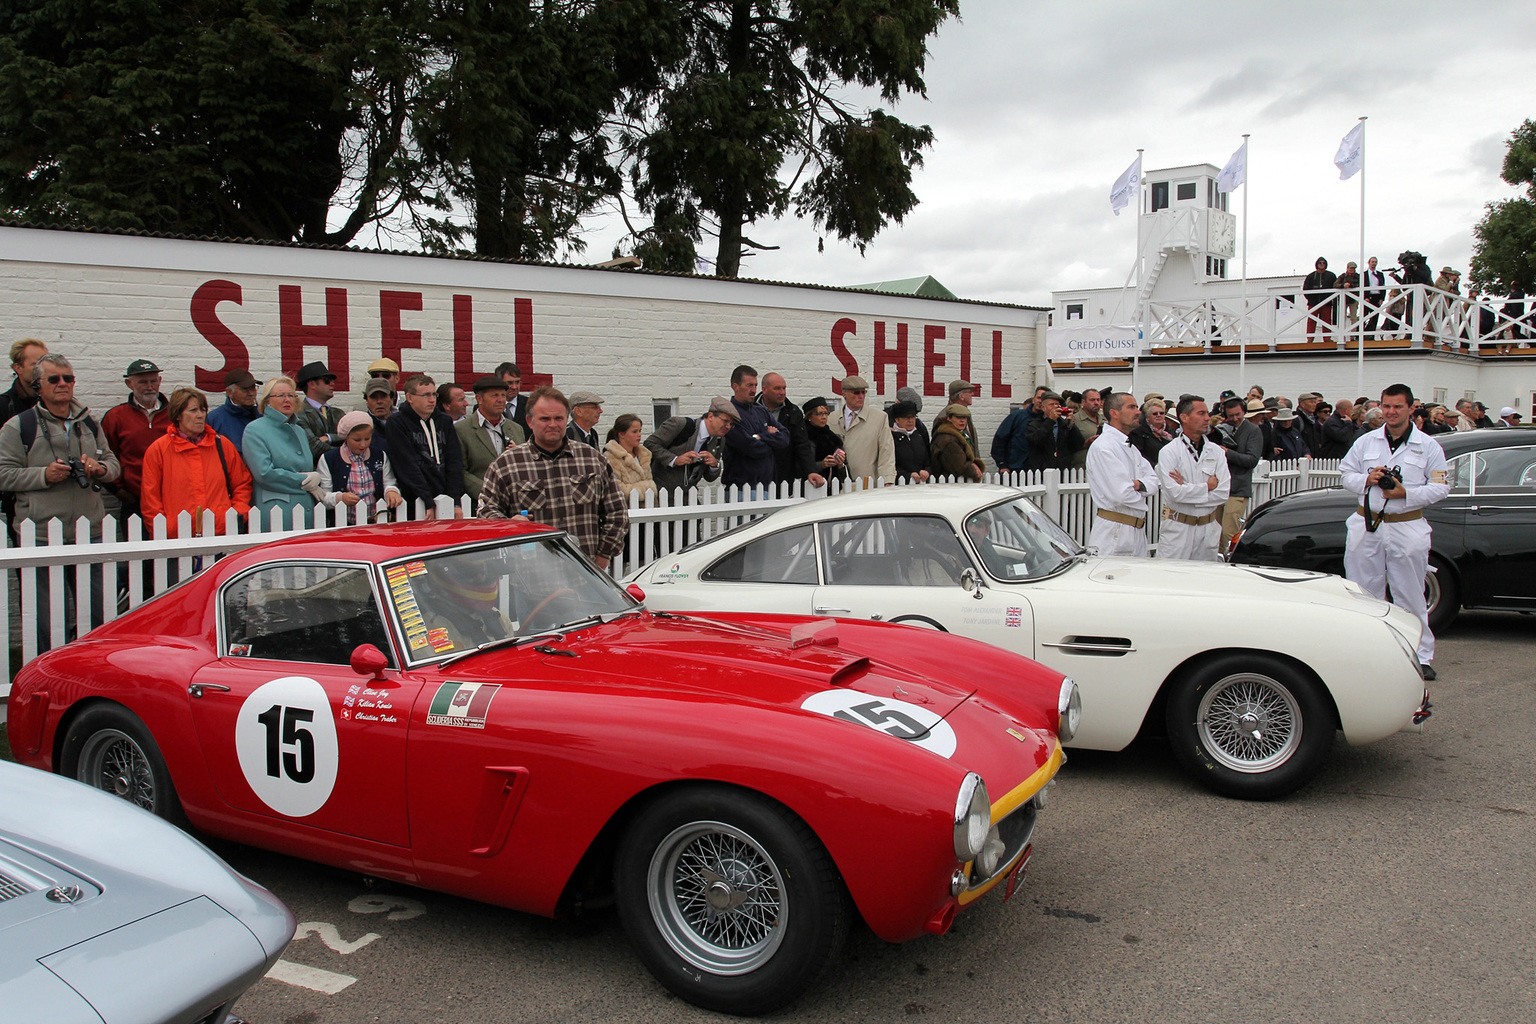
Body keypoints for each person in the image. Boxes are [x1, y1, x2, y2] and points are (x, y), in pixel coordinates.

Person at [0, 353, 118, 647]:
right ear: (38, 385)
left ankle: (91, 670)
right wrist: (43, 475)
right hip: (40, 536)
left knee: (97, 616)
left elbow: (114, 466)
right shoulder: (19, 426)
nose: (63, 384)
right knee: (47, 619)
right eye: (54, 379)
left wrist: (99, 469)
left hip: (89, 532)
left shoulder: (88, 422)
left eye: (68, 378)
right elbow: (3, 475)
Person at [1341, 384, 1449, 676]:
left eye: (1398, 407)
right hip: (1367, 524)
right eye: (1387, 406)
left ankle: (1420, 655)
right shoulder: (1366, 442)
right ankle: (1368, 653)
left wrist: (1405, 493)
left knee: (1410, 593)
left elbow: (1442, 486)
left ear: (1411, 408)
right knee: (1364, 592)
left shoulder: (1429, 446)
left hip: (1407, 525)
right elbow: (1346, 474)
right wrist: (1368, 479)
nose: (1391, 412)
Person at [478, 386, 629, 571]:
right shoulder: (506, 465)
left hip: (585, 574)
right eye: (544, 419)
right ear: (529, 421)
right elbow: (486, 512)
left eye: (558, 418)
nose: (552, 424)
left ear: (567, 419)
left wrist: (604, 555)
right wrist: (509, 525)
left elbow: (617, 512)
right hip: (530, 578)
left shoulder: (593, 460)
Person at [140, 387, 253, 537]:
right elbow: (150, 500)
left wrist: (236, 514)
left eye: (202, 410)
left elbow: (242, 484)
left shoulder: (222, 445)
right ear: (178, 415)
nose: (200, 415)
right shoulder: (158, 450)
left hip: (221, 532)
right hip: (177, 536)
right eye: (193, 411)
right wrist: (167, 529)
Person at [242, 377, 324, 528]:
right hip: (277, 513)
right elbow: (264, 473)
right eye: (281, 396)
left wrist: (313, 477)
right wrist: (303, 481)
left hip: (305, 510)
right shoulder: (255, 430)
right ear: (267, 401)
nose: (287, 400)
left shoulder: (298, 430)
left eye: (291, 395)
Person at [1155, 396, 1229, 561]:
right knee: (1171, 577)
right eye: (1201, 413)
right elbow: (1174, 494)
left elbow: (1223, 493)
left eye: (1207, 413)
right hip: (1179, 528)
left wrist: (1186, 486)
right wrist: (1206, 487)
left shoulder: (1216, 452)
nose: (1207, 418)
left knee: (1204, 580)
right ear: (1184, 417)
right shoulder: (1169, 452)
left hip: (1208, 528)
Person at [1086, 392, 1157, 557]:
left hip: (1136, 530)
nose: (1138, 412)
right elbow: (1121, 494)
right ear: (1114, 413)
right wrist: (1142, 494)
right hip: (1115, 531)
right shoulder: (1104, 447)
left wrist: (1138, 485)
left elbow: (1153, 480)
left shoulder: (1129, 447)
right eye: (1131, 407)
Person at [101, 358, 171, 523]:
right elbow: (106, 456)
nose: (149, 387)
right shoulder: (116, 417)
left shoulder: (175, 414)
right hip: (134, 502)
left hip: (172, 499)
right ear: (129, 384)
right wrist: (119, 491)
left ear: (160, 381)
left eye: (153, 381)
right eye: (142, 382)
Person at [387, 374, 466, 518]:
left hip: (445, 497)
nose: (431, 400)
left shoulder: (445, 421)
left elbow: (454, 461)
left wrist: (455, 501)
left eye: (433, 394)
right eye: (425, 395)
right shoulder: (397, 423)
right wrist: (427, 500)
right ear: (410, 398)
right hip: (414, 501)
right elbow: (406, 464)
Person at [318, 410, 404, 520]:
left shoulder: (379, 455)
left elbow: (389, 481)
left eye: (367, 439)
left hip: (378, 519)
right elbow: (324, 497)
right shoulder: (329, 459)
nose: (363, 444)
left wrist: (391, 491)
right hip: (345, 523)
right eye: (357, 440)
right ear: (346, 437)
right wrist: (341, 498)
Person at [722, 364, 789, 494]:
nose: (753, 390)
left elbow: (785, 438)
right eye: (749, 385)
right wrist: (771, 439)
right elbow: (750, 447)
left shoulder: (761, 411)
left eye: (755, 385)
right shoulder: (730, 414)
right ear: (736, 387)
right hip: (741, 489)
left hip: (767, 487)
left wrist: (760, 436)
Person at [456, 375, 523, 503]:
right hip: (479, 502)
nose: (501, 400)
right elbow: (460, 471)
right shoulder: (462, 430)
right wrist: (489, 491)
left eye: (503, 395)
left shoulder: (515, 429)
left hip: (514, 501)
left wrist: (519, 454)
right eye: (495, 396)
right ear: (479, 399)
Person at [646, 398, 733, 495]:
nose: (728, 426)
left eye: (731, 424)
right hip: (661, 493)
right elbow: (650, 444)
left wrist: (714, 465)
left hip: (688, 496)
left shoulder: (719, 441)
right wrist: (675, 460)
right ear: (711, 416)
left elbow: (709, 478)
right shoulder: (679, 424)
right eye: (725, 421)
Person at [1212, 396, 1262, 549]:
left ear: (1244, 412)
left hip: (1239, 489)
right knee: (1215, 531)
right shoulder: (1221, 429)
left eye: (1238, 414)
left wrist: (1227, 452)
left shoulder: (1253, 430)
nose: (1235, 418)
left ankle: (1229, 562)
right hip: (1220, 487)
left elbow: (1252, 460)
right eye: (1231, 415)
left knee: (1229, 532)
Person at [758, 371, 824, 488]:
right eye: (777, 389)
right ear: (764, 389)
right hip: (755, 474)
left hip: (783, 475)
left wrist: (811, 470)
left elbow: (802, 444)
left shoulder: (793, 412)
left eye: (784, 388)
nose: (782, 392)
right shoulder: (751, 409)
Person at [831, 375, 895, 483]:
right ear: (844, 394)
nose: (861, 396)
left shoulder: (879, 418)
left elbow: (886, 451)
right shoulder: (832, 418)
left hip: (867, 483)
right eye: (856, 393)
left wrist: (887, 480)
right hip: (838, 483)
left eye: (863, 392)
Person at [293, 360, 344, 456]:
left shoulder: (338, 413)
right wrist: (346, 451)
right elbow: (314, 448)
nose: (332, 383)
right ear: (311, 384)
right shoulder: (298, 414)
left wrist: (329, 438)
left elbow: (355, 436)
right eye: (327, 380)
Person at [604, 413, 657, 502]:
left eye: (640, 431)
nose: (639, 435)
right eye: (634, 431)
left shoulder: (644, 455)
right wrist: (649, 486)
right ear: (621, 434)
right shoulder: (611, 458)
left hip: (650, 508)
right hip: (627, 510)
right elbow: (617, 489)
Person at [206, 368, 260, 452]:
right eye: (245, 389)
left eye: (253, 388)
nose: (251, 393)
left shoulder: (263, 416)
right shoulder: (214, 420)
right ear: (229, 392)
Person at [1026, 391, 1083, 470]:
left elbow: (1078, 444)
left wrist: (1071, 425)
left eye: (1057, 404)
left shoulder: (1063, 424)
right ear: (1043, 407)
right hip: (1042, 470)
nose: (1055, 407)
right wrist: (1050, 420)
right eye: (1051, 404)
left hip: (1063, 470)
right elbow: (1036, 440)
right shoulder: (1034, 424)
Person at [0, 337, 47, 428]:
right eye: (36, 364)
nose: (43, 369)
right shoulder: (4, 406)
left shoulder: (55, 400)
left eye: (46, 363)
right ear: (18, 368)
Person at [930, 404, 984, 481]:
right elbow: (960, 467)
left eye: (964, 417)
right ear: (949, 418)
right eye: (958, 417)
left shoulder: (959, 434)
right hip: (950, 483)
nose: (962, 420)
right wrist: (974, 470)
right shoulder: (948, 439)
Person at [801, 397, 847, 485]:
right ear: (809, 416)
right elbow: (801, 465)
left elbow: (844, 474)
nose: (824, 417)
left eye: (826, 413)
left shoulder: (833, 437)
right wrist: (822, 465)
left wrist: (840, 463)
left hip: (833, 486)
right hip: (812, 485)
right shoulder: (804, 437)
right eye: (819, 414)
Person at [889, 400, 931, 483]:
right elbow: (890, 465)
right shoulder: (891, 437)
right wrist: (907, 475)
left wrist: (927, 471)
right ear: (897, 420)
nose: (910, 421)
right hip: (900, 485)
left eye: (913, 417)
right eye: (906, 418)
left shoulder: (919, 435)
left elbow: (928, 460)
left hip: (922, 483)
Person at [1128, 398, 1172, 467]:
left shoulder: (1170, 433)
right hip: (1150, 470)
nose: (1159, 415)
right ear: (1148, 417)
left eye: (1161, 413)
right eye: (1155, 414)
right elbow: (1139, 456)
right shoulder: (1138, 433)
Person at [1303, 256, 1337, 340]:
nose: (1322, 264)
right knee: (1311, 321)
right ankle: (1310, 339)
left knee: (1327, 321)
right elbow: (1305, 289)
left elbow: (1335, 288)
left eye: (1323, 263)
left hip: (1327, 303)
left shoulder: (1331, 276)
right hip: (1313, 303)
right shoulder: (1311, 276)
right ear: (1317, 264)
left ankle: (1327, 339)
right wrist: (1311, 299)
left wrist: (1330, 298)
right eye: (1320, 263)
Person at [1070, 387, 1104, 468]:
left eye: (1098, 400)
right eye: (1092, 400)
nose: (1096, 403)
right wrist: (1085, 443)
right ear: (1083, 402)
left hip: (1101, 466)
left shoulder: (1104, 420)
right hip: (1082, 468)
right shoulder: (1074, 420)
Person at [496, 361, 530, 436]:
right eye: (509, 383)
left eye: (517, 382)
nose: (514, 387)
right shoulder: (486, 407)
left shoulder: (531, 404)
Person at [1362, 256, 1387, 339]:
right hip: (1367, 297)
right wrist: (1365, 297)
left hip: (1376, 296)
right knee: (1364, 316)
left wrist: (1382, 298)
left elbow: (1383, 286)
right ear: (1369, 263)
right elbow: (1362, 286)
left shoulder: (1379, 274)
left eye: (1375, 262)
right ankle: (1362, 335)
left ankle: (1371, 335)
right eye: (1372, 262)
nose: (1374, 263)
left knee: (1375, 317)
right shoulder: (1364, 274)